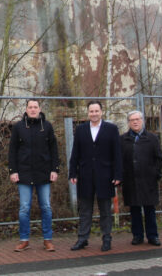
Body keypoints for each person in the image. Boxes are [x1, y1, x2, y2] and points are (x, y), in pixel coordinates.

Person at [68, 100, 123, 252]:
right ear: (88, 113)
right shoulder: (80, 129)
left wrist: (118, 174)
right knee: (85, 210)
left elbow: (117, 154)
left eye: (96, 111)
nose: (94, 114)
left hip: (105, 176)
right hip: (85, 176)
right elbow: (75, 153)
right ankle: (82, 238)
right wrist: (73, 172)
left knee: (105, 210)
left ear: (101, 112)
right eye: (91, 111)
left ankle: (106, 238)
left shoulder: (111, 129)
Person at [8, 99, 60, 252]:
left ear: (39, 109)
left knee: (46, 207)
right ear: (26, 109)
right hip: (23, 174)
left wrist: (55, 169)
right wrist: (13, 171)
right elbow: (12, 151)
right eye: (30, 107)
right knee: (24, 208)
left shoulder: (47, 126)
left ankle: (47, 239)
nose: (32, 109)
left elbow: (54, 150)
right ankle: (24, 240)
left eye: (35, 107)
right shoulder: (18, 127)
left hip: (43, 174)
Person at [121, 110, 162, 246]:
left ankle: (153, 236)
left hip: (148, 180)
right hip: (130, 180)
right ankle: (137, 235)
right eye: (132, 120)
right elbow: (119, 160)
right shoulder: (122, 139)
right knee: (134, 209)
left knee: (149, 209)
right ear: (128, 122)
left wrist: (155, 174)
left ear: (142, 121)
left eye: (138, 119)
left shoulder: (152, 138)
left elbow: (159, 159)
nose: (135, 122)